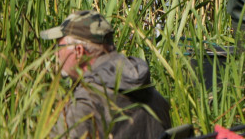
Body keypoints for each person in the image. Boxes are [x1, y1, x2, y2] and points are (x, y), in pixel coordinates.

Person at [40, 10, 171, 139]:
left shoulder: (86, 102)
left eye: (60, 47)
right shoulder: (151, 93)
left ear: (79, 51)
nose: (56, 54)